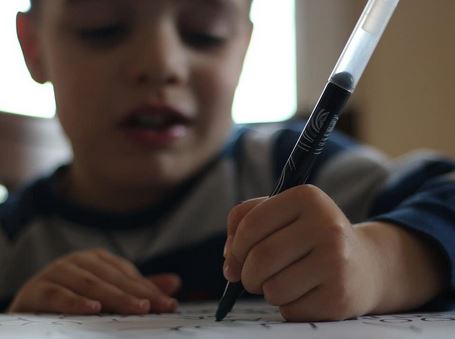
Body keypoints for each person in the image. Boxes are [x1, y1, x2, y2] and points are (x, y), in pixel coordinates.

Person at [0, 0, 454, 320]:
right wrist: (20, 331)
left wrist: (378, 263)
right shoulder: (12, 242)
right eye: (102, 28)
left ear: (243, 47)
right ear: (33, 47)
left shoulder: (292, 170)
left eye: (206, 33)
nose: (160, 63)